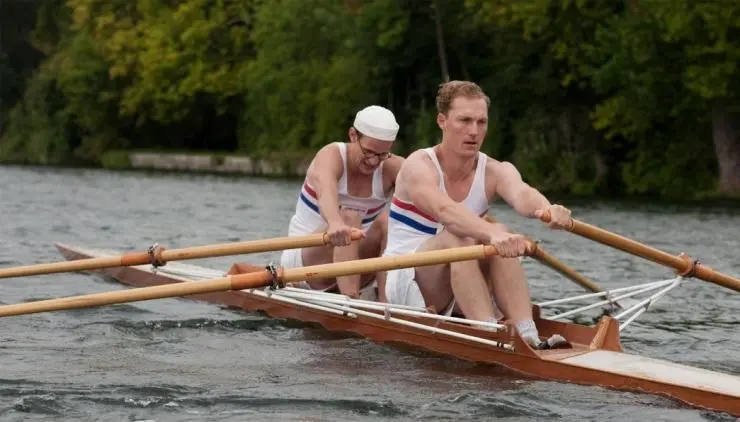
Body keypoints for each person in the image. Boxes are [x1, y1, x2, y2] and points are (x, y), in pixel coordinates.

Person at [382, 81, 572, 349]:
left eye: (481, 122)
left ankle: (526, 333)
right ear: (442, 121)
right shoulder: (419, 166)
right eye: (465, 120)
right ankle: (489, 333)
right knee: (464, 235)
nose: (474, 131)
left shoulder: (495, 170)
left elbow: (522, 193)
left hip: (462, 275)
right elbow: (445, 211)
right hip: (407, 279)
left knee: (501, 231)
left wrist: (548, 209)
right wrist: (491, 233)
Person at [280, 105, 404, 299]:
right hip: (305, 265)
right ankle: (351, 300)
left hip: (357, 262)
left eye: (382, 155)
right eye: (369, 152)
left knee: (388, 221)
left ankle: (387, 304)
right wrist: (335, 222)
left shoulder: (395, 167)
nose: (373, 162)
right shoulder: (330, 156)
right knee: (349, 218)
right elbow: (326, 194)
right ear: (353, 135)